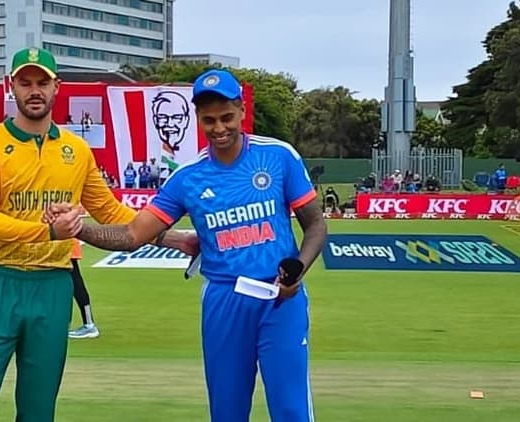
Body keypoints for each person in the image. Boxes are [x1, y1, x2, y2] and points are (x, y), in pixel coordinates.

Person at [47, 69, 327, 422]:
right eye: (209, 120)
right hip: (224, 300)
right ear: (198, 118)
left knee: (291, 410)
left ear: (242, 110)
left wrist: (297, 270)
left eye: (227, 117)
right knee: (227, 412)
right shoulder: (188, 178)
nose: (219, 128)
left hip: (280, 300)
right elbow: (132, 235)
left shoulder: (278, 156)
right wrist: (78, 229)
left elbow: (315, 225)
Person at [0, 46, 197, 422]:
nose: (35, 91)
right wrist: (49, 230)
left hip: (52, 287)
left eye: (43, 83)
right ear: (11, 85)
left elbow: (112, 213)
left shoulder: (76, 150)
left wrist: (171, 238)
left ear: (57, 87)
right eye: (26, 83)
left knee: (38, 410)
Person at [68, 239, 99, 339]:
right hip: (64, 245)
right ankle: (89, 324)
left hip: (64, 246)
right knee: (74, 282)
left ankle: (89, 324)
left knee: (76, 282)